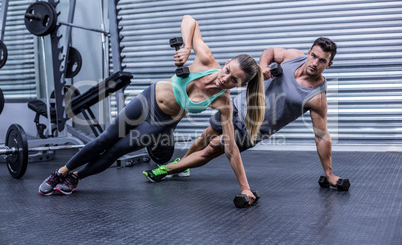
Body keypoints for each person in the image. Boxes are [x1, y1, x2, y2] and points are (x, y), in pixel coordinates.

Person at [38, 15, 265, 197]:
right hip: (147, 100)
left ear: (241, 84)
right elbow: (189, 20)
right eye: (228, 71)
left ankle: (75, 177)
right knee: (105, 139)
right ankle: (60, 173)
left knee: (117, 150)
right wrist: (187, 47)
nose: (225, 79)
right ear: (226, 64)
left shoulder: (223, 103)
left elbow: (231, 148)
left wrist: (244, 187)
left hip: (161, 123)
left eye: (234, 80)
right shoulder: (205, 60)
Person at [145, 37, 343, 205]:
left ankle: (166, 169)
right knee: (206, 136)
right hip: (237, 107)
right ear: (309, 52)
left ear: (330, 65)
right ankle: (183, 166)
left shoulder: (317, 98)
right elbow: (270, 51)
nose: (315, 63)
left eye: (322, 61)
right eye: (314, 56)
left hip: (252, 129)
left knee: (213, 147)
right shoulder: (293, 57)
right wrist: (264, 66)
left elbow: (322, 136)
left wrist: (330, 173)